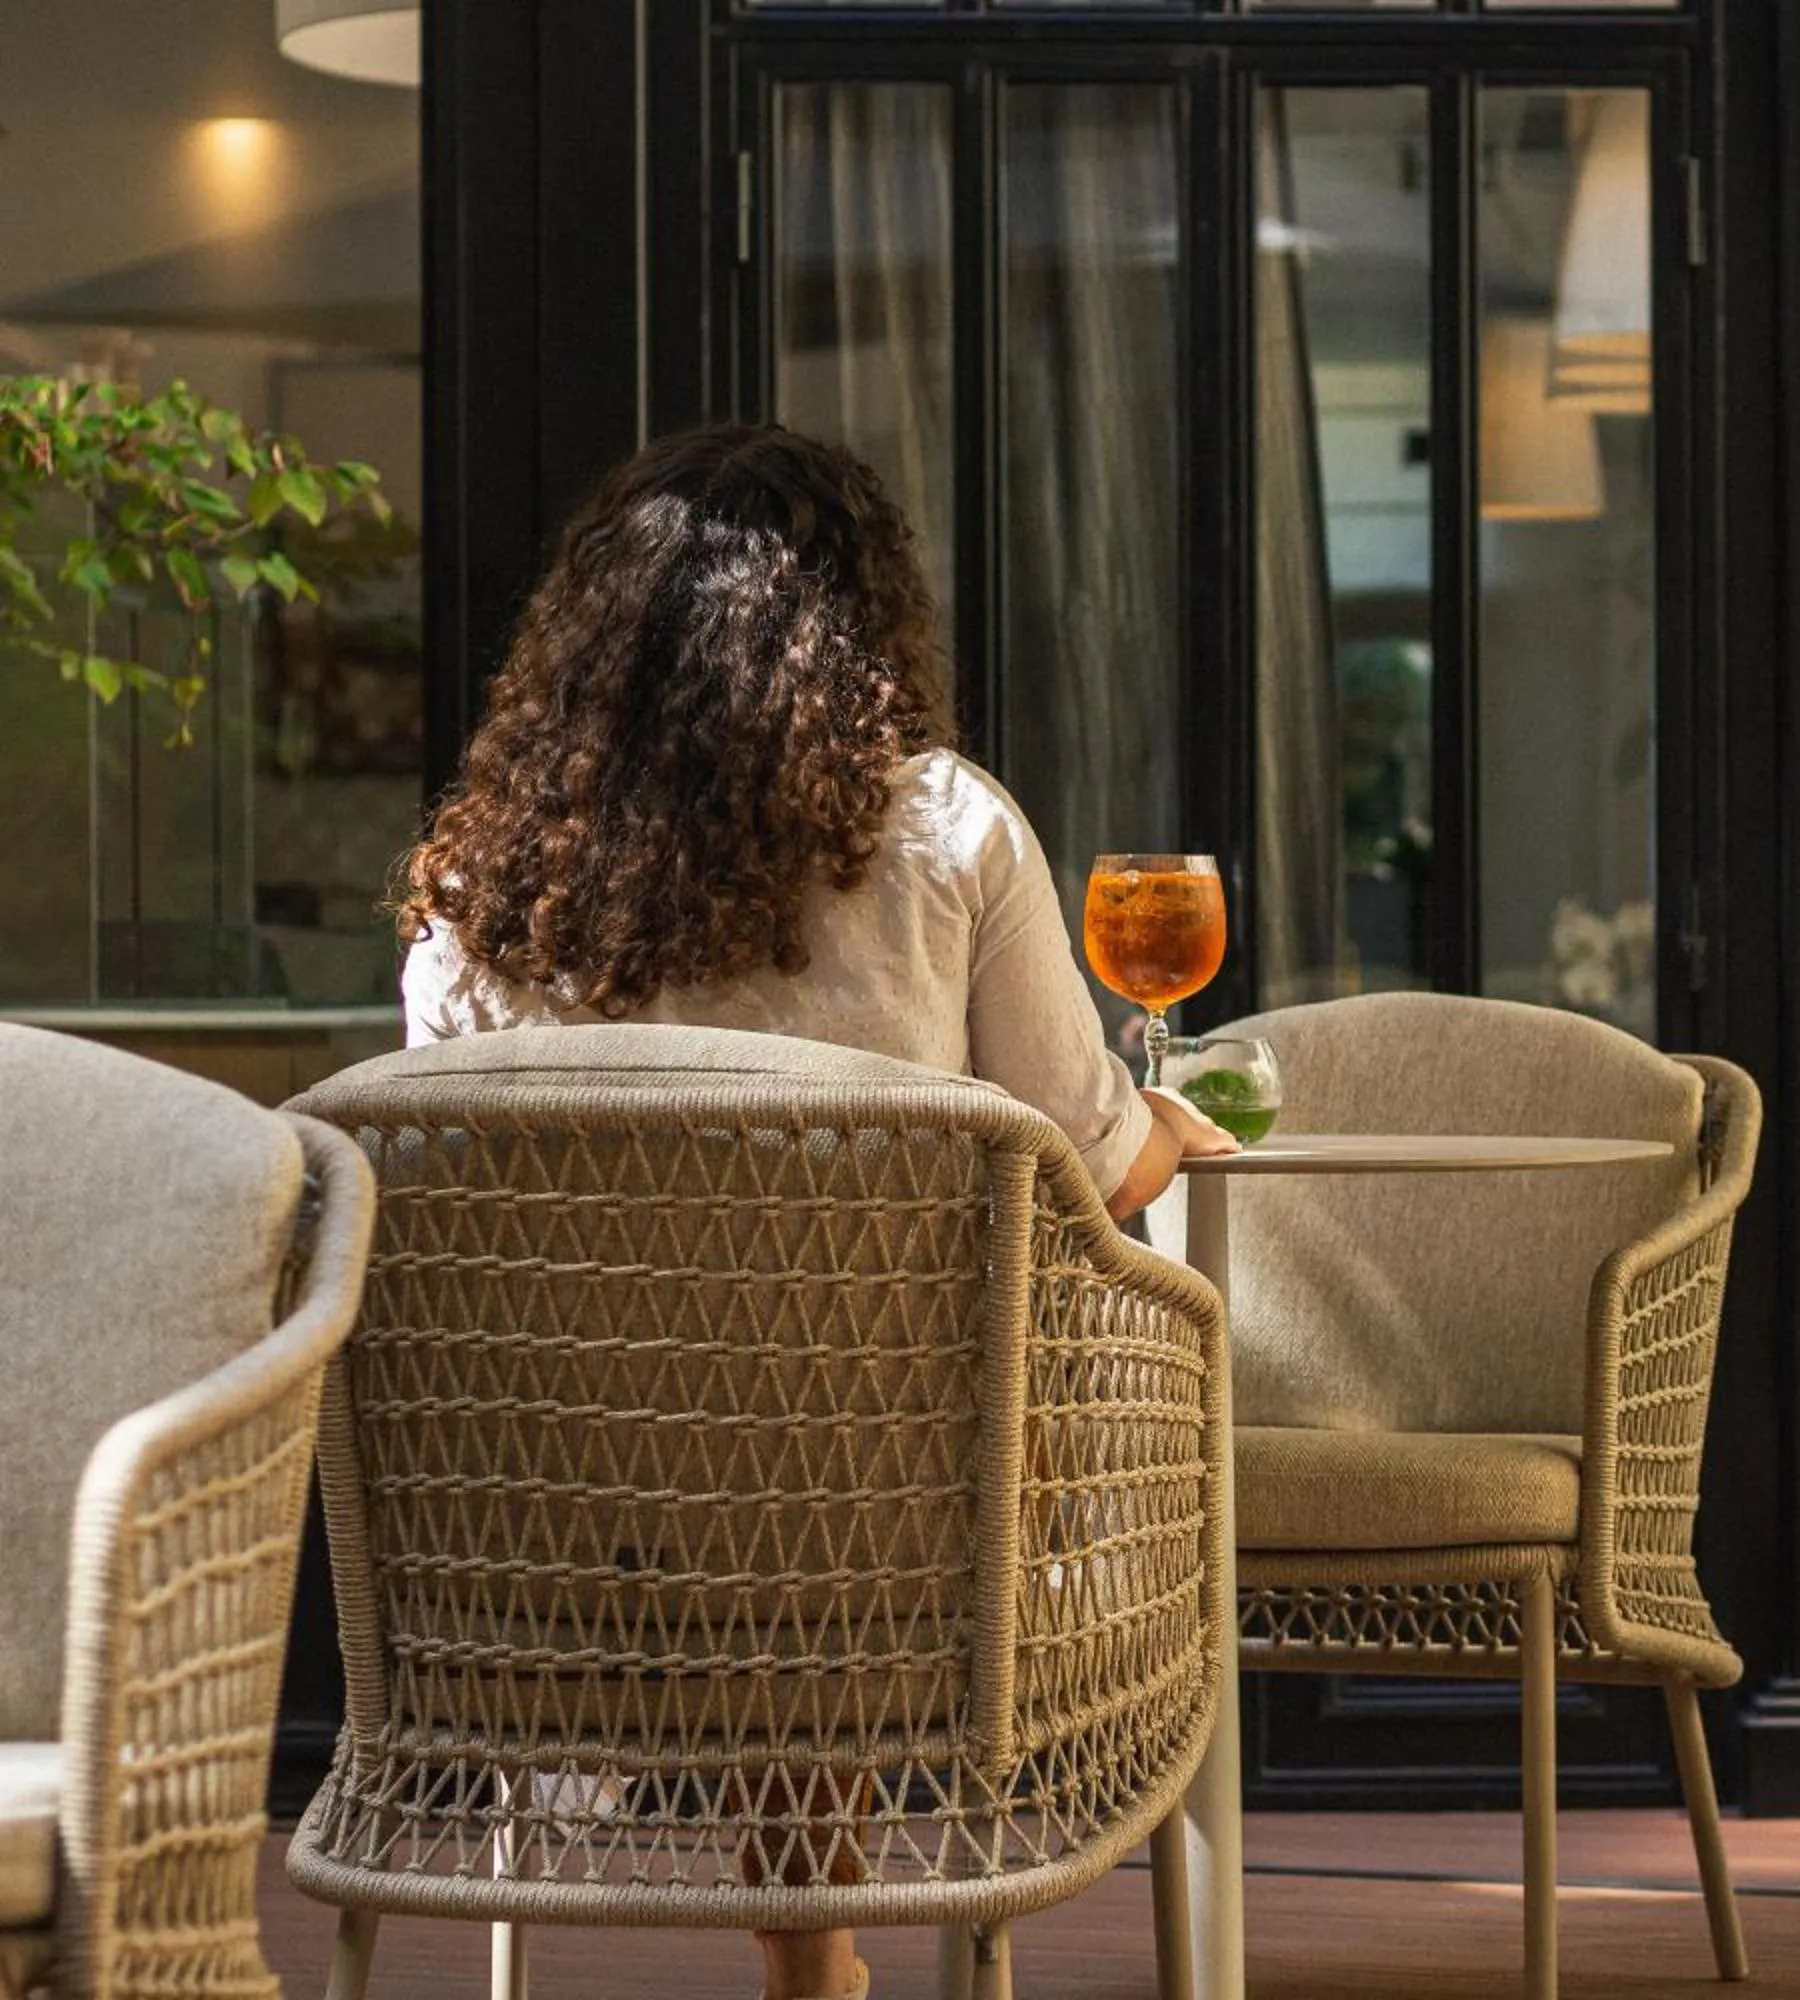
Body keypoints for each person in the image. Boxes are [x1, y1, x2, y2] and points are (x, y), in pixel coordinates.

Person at [395, 422, 1233, 2000]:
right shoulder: (945, 831)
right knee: (824, 1408)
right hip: (895, 1541)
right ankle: (813, 1961)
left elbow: (450, 1214)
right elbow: (1082, 1160)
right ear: (863, 622)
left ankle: (816, 1960)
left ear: (588, 640)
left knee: (728, 1395)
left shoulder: (474, 894)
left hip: (550, 1527)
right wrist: (1169, 1133)